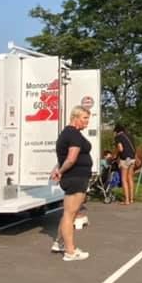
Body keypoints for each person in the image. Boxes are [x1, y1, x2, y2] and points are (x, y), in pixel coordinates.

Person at [50, 106, 93, 261]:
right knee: (70, 214)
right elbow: (71, 158)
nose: (87, 122)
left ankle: (59, 243)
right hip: (76, 178)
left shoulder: (67, 133)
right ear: (75, 117)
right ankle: (70, 251)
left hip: (75, 177)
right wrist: (60, 171)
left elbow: (63, 157)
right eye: (84, 118)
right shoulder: (73, 134)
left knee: (69, 212)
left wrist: (57, 168)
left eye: (88, 118)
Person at [114, 124, 137, 206]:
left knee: (124, 179)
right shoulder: (130, 135)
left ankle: (126, 200)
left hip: (125, 159)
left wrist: (115, 155)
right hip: (132, 158)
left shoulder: (118, 137)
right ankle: (131, 199)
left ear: (116, 131)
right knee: (130, 178)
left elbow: (120, 148)